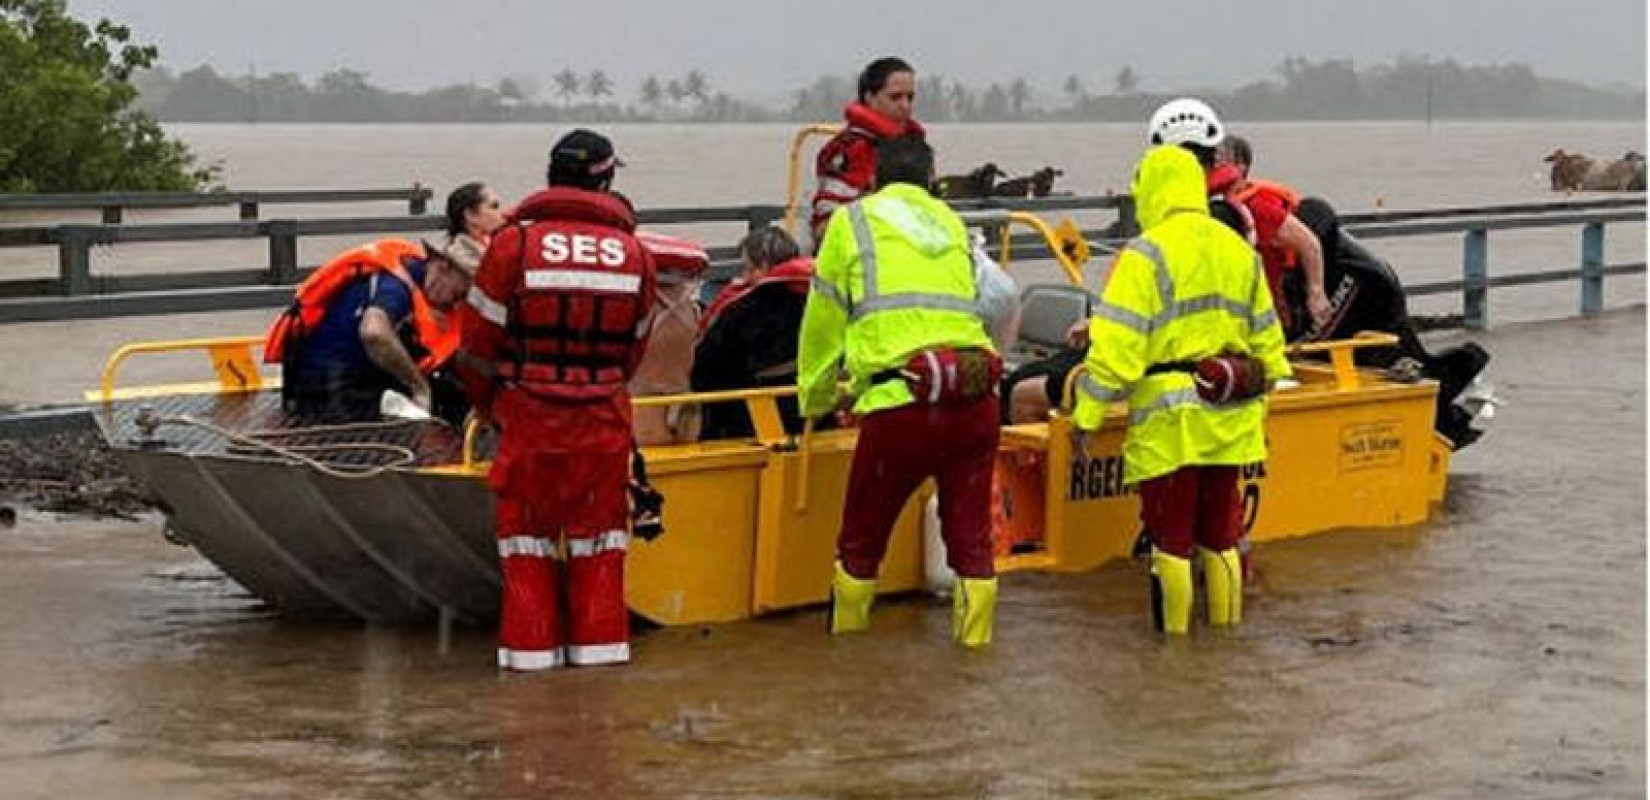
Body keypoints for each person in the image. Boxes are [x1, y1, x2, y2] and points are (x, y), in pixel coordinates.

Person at [456, 128, 657, 671]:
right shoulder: (637, 255)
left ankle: (531, 699)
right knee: (600, 561)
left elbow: (474, 350)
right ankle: (596, 704)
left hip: (528, 423)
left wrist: (490, 406)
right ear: (607, 179)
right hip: (603, 427)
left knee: (526, 559)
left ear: (550, 175)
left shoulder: (512, 246)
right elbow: (635, 352)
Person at [1070, 145, 1290, 636]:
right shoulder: (1238, 248)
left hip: (1169, 423)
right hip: (1230, 410)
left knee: (1170, 541)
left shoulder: (1144, 255)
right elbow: (1271, 350)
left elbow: (1117, 352)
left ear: (1149, 191)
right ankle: (1225, 638)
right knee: (1221, 536)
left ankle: (1175, 650)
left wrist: (1086, 415)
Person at [797, 135, 1002, 647]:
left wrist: (816, 398)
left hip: (900, 405)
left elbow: (822, 321)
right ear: (932, 178)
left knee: (862, 543)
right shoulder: (953, 223)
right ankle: (974, 656)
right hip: (974, 399)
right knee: (973, 544)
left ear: (872, 178)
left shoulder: (854, 222)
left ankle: (848, 655)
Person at [264, 237, 472, 421]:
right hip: (326, 385)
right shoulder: (396, 282)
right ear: (444, 267)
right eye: (459, 293)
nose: (455, 304)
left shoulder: (419, 276)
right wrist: (419, 388)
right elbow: (374, 332)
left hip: (355, 376)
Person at [692, 225, 815, 440]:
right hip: (811, 420)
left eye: (748, 268)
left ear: (764, 266)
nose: (744, 277)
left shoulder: (743, 309)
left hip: (747, 424)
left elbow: (706, 369)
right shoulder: (818, 302)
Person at [1215, 135, 1332, 338]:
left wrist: (1316, 294)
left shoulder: (1258, 206)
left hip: (1274, 313)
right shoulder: (1221, 208)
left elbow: (1309, 244)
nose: (1213, 167)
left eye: (1219, 161)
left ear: (1240, 168)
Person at [808, 56, 924, 247]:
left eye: (910, 97)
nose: (905, 105)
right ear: (870, 98)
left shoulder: (915, 146)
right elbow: (825, 224)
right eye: (895, 97)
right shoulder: (850, 150)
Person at [443, 181, 508, 276]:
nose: (503, 212)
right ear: (470, 215)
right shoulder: (460, 257)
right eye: (494, 207)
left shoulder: (493, 244)